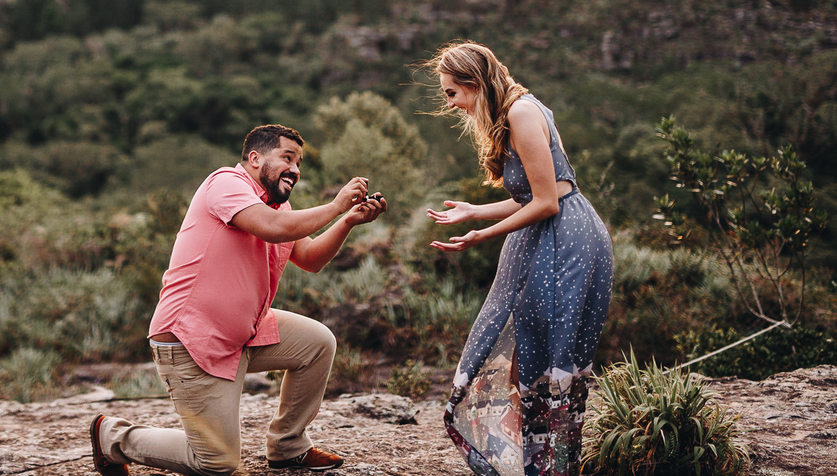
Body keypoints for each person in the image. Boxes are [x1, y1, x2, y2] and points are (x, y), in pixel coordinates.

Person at [90, 123, 386, 476]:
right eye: (287, 157)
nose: (295, 169)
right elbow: (272, 228)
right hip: (193, 342)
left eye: (299, 162)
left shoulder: (279, 208)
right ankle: (112, 437)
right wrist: (336, 205)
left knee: (317, 343)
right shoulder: (226, 183)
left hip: (246, 333)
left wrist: (348, 220)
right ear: (255, 158)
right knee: (216, 463)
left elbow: (310, 259)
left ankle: (288, 446)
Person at [424, 42, 613, 476]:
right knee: (524, 348)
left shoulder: (521, 113)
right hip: (546, 234)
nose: (450, 104)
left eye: (452, 93)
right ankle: (536, 463)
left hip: (563, 239)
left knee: (541, 352)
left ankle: (548, 464)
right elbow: (532, 196)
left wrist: (482, 235)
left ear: (475, 83)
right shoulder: (513, 113)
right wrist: (474, 211)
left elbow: (548, 201)